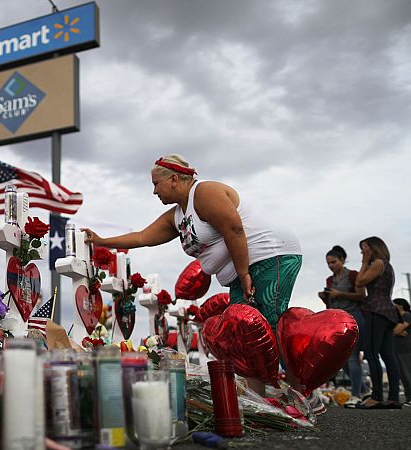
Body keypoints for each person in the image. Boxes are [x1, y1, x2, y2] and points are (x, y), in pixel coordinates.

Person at [82, 154, 302, 393]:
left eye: (156, 184)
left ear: (174, 179)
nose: (154, 192)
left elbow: (234, 228)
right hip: (245, 268)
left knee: (270, 320)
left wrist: (243, 273)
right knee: (242, 332)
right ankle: (262, 395)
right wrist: (102, 241)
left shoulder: (204, 193)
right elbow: (143, 237)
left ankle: (298, 391)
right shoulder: (177, 215)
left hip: (270, 254)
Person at [355, 237, 402, 409]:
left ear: (373, 248)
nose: (362, 252)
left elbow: (359, 282)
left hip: (377, 310)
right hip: (388, 311)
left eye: (364, 249)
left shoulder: (377, 264)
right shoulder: (387, 265)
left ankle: (376, 397)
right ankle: (394, 397)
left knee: (371, 352)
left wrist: (364, 262)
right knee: (388, 355)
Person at [317, 245, 367, 407]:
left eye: (333, 262)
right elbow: (331, 304)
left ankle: (356, 394)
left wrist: (340, 294)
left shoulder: (353, 275)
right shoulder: (329, 280)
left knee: (352, 357)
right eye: (328, 263)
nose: (331, 265)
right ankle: (363, 388)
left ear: (342, 260)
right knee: (341, 360)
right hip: (337, 320)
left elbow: (361, 296)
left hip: (354, 317)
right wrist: (326, 298)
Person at [392, 298, 411, 406]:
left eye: (394, 304)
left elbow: (395, 330)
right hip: (397, 349)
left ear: (401, 305)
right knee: (403, 375)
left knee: (408, 373)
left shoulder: (406, 315)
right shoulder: (396, 318)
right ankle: (409, 398)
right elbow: (396, 331)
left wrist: (395, 331)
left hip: (405, 349)